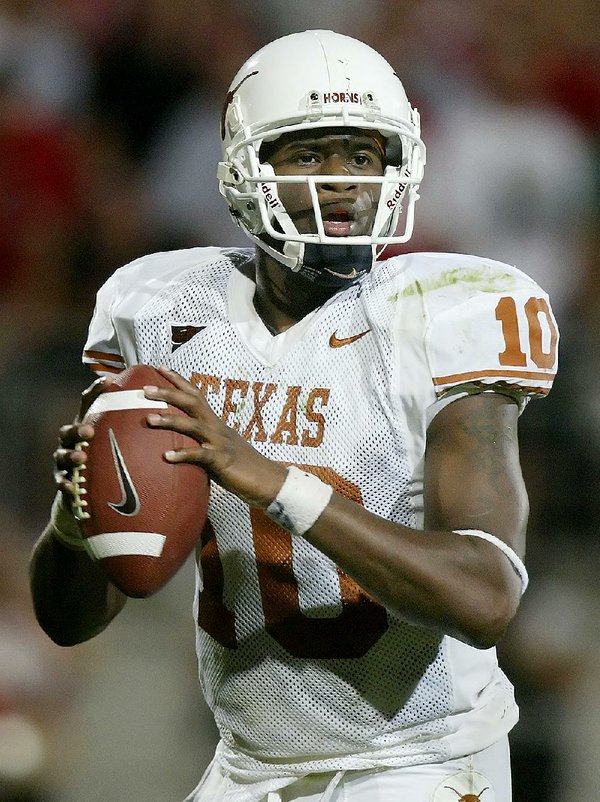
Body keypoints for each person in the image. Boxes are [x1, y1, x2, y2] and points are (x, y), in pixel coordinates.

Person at [29, 30, 559, 802]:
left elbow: (485, 598)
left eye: (364, 155)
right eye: (310, 155)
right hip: (247, 766)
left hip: (418, 764)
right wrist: (80, 519)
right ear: (246, 168)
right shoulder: (164, 308)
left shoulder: (441, 314)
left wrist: (273, 479)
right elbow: (70, 620)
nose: (344, 181)